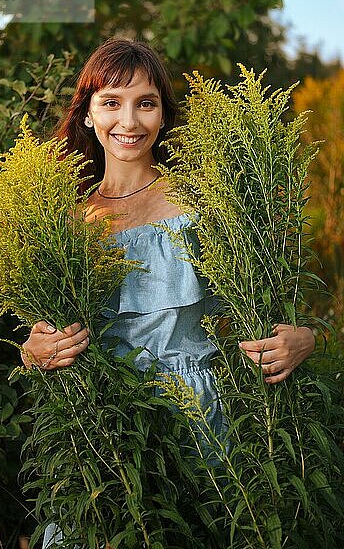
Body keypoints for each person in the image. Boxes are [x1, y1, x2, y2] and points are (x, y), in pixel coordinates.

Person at [20, 37, 315, 546]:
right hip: (104, 426)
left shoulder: (205, 199)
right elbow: (45, 334)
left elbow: (265, 306)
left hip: (195, 415)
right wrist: (34, 350)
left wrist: (304, 339)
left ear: (162, 115)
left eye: (146, 103)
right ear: (88, 115)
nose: (129, 121)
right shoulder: (64, 219)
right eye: (111, 102)